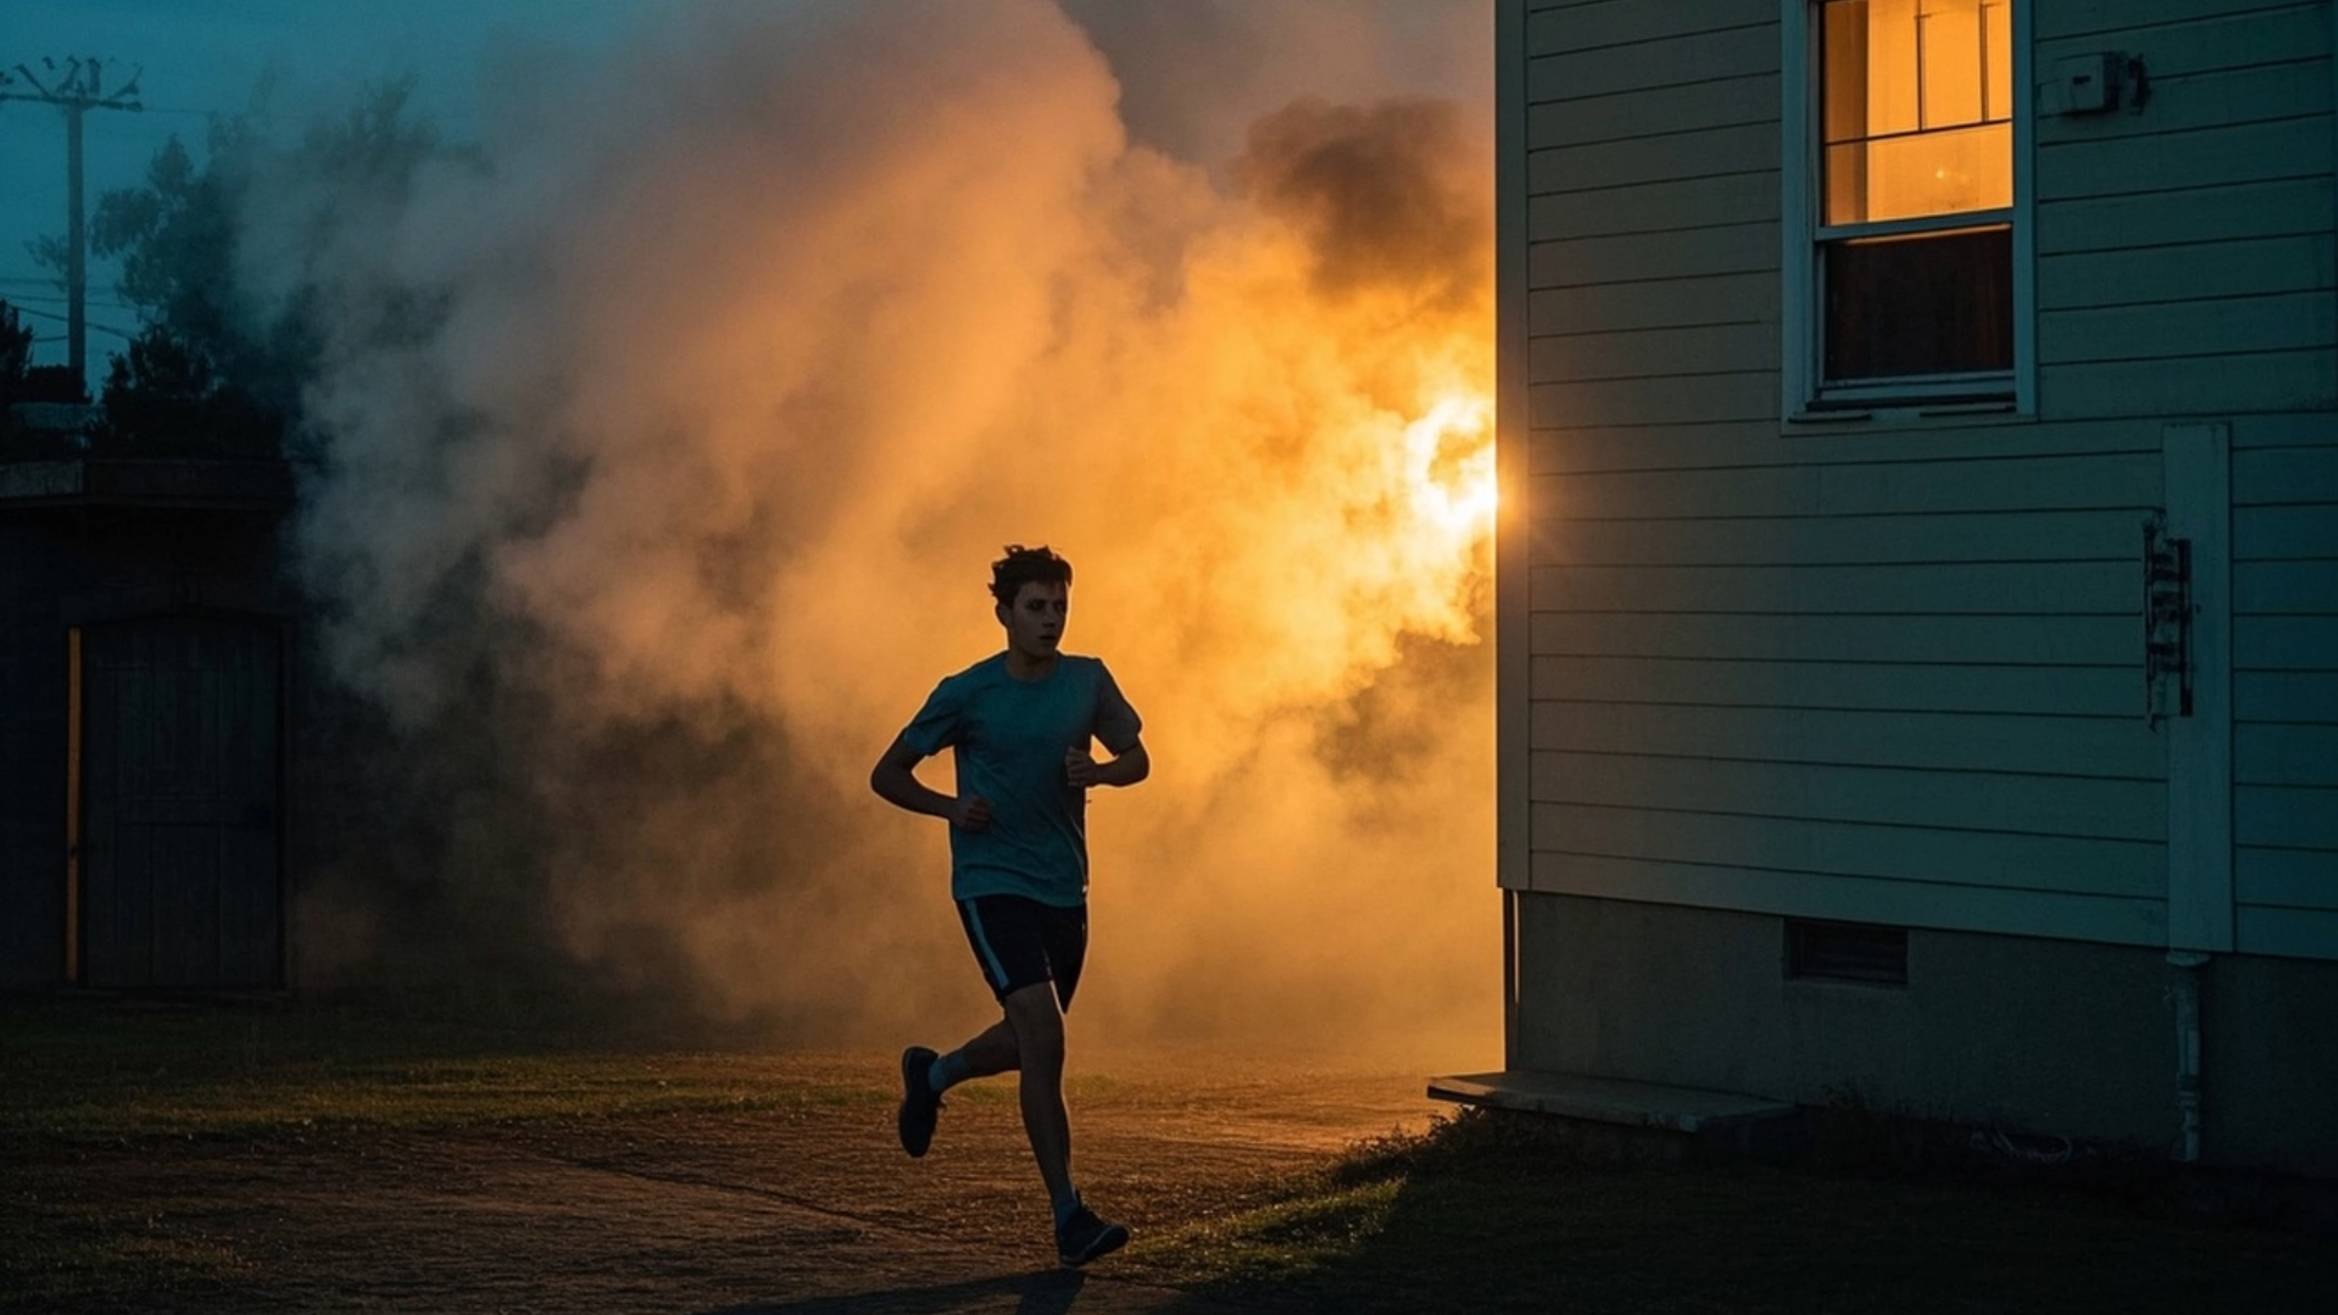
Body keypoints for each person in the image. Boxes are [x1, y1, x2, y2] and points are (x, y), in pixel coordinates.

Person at [870, 544, 1150, 1267]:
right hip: (991, 883)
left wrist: (1104, 772)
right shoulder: (968, 691)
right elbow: (887, 773)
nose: (1050, 619)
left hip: (1065, 886)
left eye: (1059, 606)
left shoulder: (1088, 681)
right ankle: (1069, 1215)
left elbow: (1138, 758)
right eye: (1036, 606)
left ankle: (930, 1075)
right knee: (1047, 1042)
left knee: (1029, 1039)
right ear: (1004, 613)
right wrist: (950, 806)